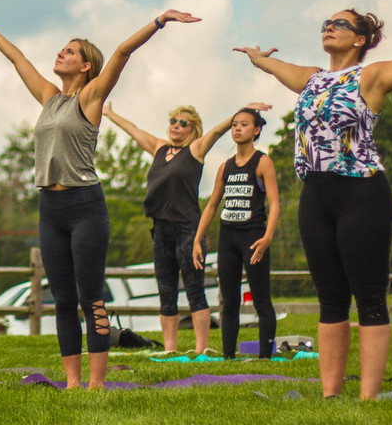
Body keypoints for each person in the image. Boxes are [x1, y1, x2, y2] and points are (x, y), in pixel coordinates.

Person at [0, 10, 200, 389]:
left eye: (69, 51)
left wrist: (160, 21)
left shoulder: (90, 97)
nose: (60, 53)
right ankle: (73, 382)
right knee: (62, 299)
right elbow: (19, 59)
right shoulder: (50, 97)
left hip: (85, 207)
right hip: (50, 208)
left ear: (86, 66)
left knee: (92, 299)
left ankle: (95, 383)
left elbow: (121, 52)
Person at [235, 9, 392, 400]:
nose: (329, 27)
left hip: (362, 195)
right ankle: (330, 395)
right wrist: (259, 59)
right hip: (315, 198)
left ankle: (368, 398)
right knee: (331, 298)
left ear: (360, 39)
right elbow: (278, 68)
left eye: (340, 24)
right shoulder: (311, 79)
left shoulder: (371, 76)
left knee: (369, 295)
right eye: (326, 22)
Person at [102, 99, 271, 353]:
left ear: (193, 129)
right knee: (166, 291)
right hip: (160, 229)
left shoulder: (195, 150)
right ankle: (170, 349)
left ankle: (201, 349)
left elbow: (216, 131)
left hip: (188, 229)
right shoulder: (159, 148)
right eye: (173, 121)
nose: (176, 126)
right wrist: (108, 113)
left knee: (194, 290)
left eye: (183, 123)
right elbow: (133, 130)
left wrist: (238, 113)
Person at [191, 107, 279, 360]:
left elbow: (274, 203)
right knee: (229, 301)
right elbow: (211, 205)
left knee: (261, 299)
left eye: (243, 125)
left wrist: (267, 237)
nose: (237, 129)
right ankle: (228, 356)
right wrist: (198, 239)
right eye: (234, 125)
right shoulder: (225, 167)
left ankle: (265, 357)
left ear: (257, 130)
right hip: (228, 237)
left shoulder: (263, 162)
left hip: (253, 238)